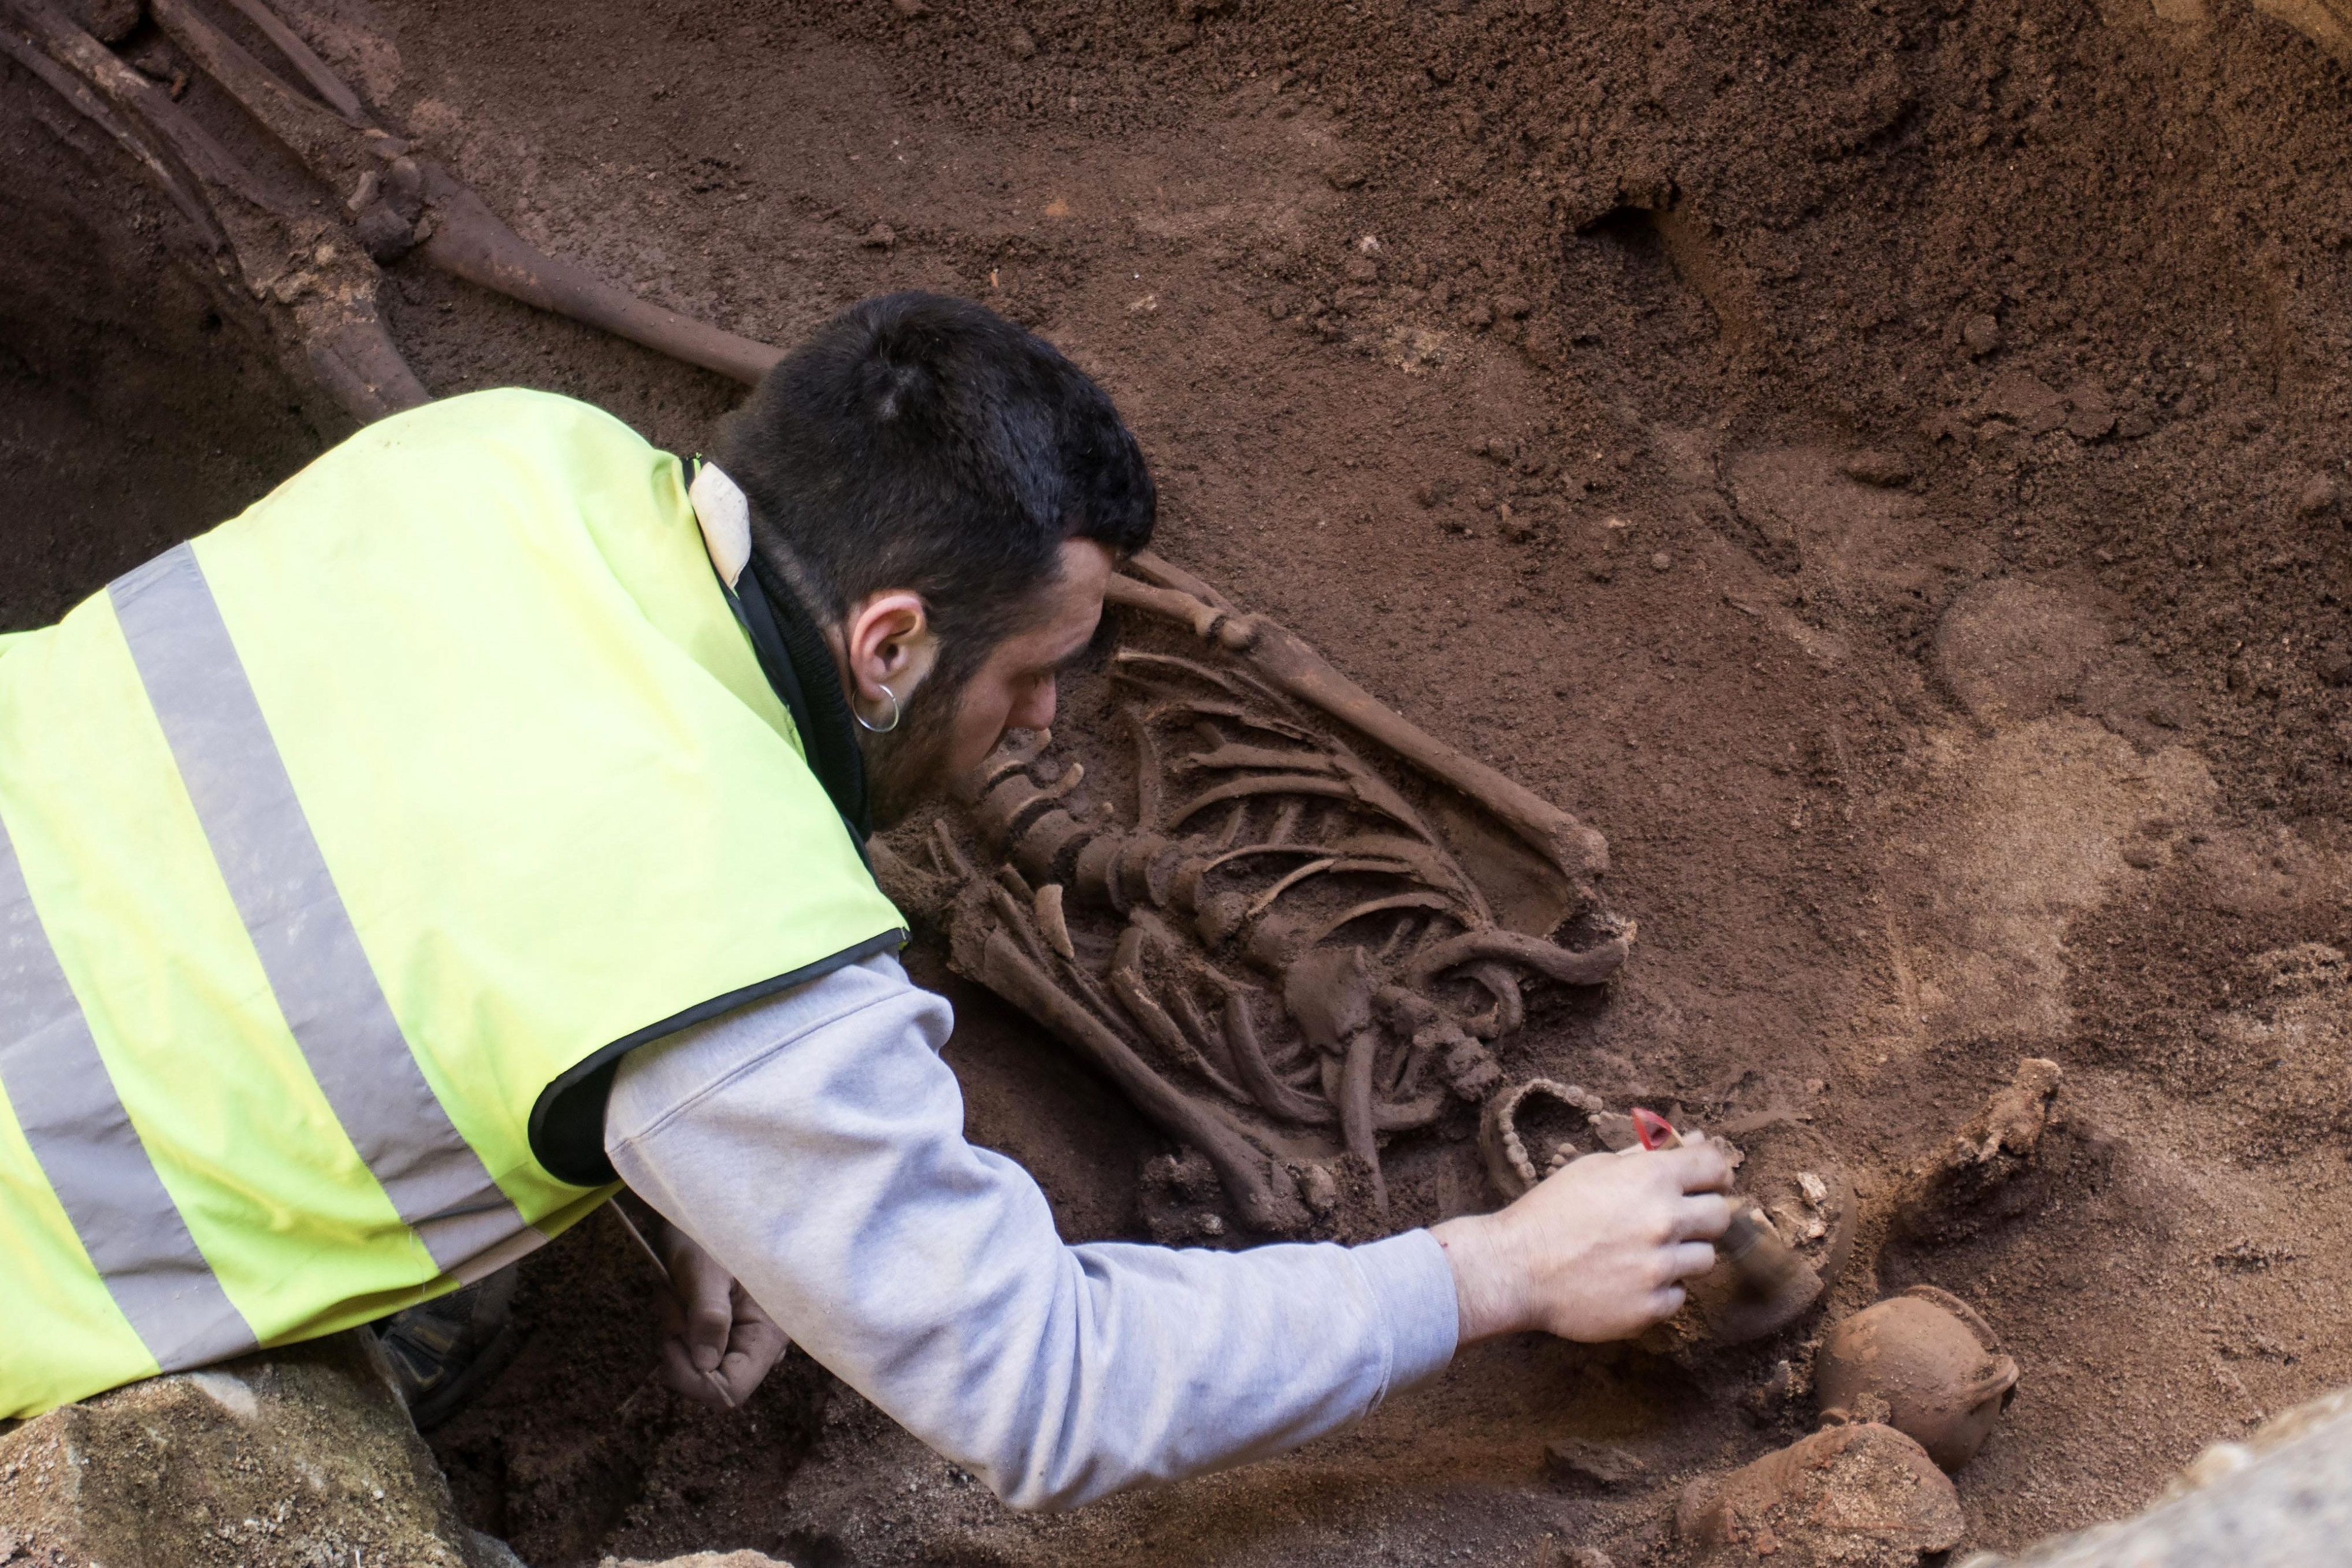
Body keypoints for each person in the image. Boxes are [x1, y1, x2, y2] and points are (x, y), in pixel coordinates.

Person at [0, 292, 1731, 1506]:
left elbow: (400, 804)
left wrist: (688, 1164)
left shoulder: (501, 459)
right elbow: (1045, 1384)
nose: (1049, 719)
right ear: (888, 643)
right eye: (1032, 673)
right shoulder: (734, 938)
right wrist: (1492, 1268)